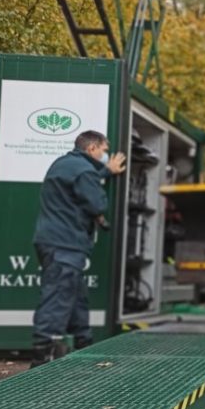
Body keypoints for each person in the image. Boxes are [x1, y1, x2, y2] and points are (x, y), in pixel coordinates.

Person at [30, 130, 126, 367]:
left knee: (76, 295)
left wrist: (105, 172)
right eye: (104, 150)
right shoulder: (84, 171)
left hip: (51, 240)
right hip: (66, 243)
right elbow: (96, 203)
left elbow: (75, 187)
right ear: (92, 149)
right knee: (58, 296)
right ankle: (44, 353)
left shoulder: (64, 164)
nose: (106, 154)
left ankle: (84, 343)